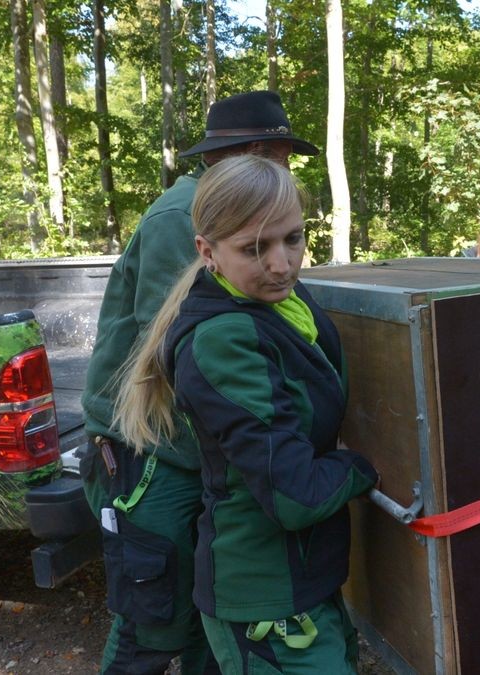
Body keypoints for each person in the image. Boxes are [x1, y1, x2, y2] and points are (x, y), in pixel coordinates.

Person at [79, 91, 319, 675]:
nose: (283, 169)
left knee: (212, 620)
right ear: (248, 153)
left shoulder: (254, 218)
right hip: (152, 446)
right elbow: (183, 352)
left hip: (198, 448)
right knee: (154, 623)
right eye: (278, 155)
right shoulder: (179, 216)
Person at [115, 155, 379, 675]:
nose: (281, 264)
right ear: (207, 252)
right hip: (267, 596)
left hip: (306, 576)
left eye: (293, 239)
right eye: (254, 248)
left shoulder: (281, 302)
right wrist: (361, 469)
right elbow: (293, 494)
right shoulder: (224, 338)